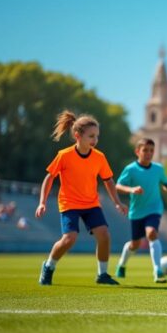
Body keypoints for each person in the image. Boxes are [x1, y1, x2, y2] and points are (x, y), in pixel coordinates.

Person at [35, 110, 127, 286]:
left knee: (104, 235)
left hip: (91, 203)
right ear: (77, 135)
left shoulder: (99, 157)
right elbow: (49, 178)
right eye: (91, 136)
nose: (95, 140)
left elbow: (108, 180)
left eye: (97, 136)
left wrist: (117, 203)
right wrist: (42, 203)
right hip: (69, 204)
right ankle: (48, 266)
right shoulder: (64, 155)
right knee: (69, 239)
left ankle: (102, 275)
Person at [114, 138, 167, 283]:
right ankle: (122, 264)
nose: (149, 153)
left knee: (152, 233)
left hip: (154, 208)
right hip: (136, 212)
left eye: (151, 150)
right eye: (145, 150)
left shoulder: (158, 168)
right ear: (137, 151)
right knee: (135, 244)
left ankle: (157, 270)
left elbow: (166, 184)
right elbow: (118, 186)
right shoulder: (131, 169)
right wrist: (131, 189)